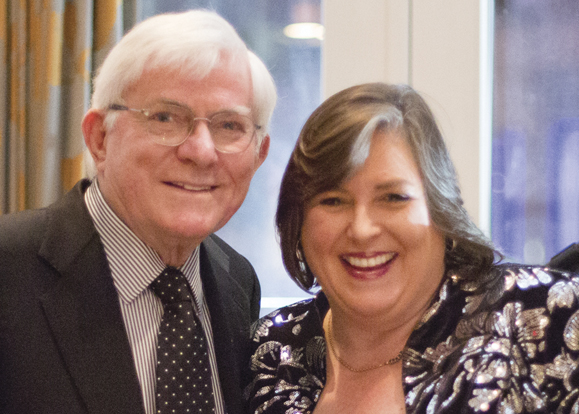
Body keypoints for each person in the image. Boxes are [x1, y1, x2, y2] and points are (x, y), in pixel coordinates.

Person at [0, 10, 276, 414]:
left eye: (229, 126)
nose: (200, 152)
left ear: (259, 155)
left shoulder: (239, 282)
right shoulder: (9, 269)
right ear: (99, 138)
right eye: (165, 118)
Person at [245, 83, 579, 413]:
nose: (362, 229)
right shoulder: (274, 351)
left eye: (393, 197)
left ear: (441, 209)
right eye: (333, 200)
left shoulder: (547, 317)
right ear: (298, 220)